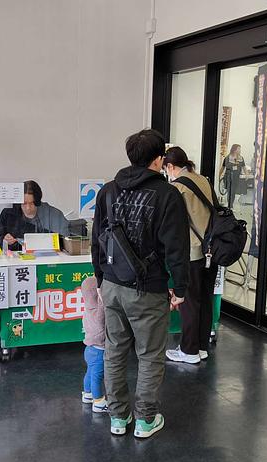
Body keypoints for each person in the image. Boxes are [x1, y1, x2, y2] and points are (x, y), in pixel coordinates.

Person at [91, 129, 190, 439]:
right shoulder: (167, 195)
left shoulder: (108, 191)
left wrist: (100, 279)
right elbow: (177, 247)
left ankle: (118, 417)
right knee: (149, 355)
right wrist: (180, 288)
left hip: (111, 285)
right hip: (148, 289)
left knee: (114, 351)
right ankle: (146, 420)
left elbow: (97, 240)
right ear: (159, 160)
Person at [163, 147, 215, 365]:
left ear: (170, 166)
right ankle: (201, 347)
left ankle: (189, 350)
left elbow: (175, 224)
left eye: (166, 169)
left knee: (190, 302)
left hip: (192, 251)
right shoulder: (203, 180)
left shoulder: (177, 187)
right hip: (211, 249)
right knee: (205, 300)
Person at [0, 180, 70, 251]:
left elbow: (66, 242)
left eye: (31, 203)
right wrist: (4, 239)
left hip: (45, 259)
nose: (28, 208)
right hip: (15, 260)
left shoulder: (53, 215)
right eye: (24, 203)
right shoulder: (9, 214)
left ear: (37, 202)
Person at [80, 276, 108, 413]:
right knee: (97, 377)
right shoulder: (99, 311)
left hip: (89, 349)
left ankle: (87, 394)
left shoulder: (87, 310)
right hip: (99, 350)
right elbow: (103, 318)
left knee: (90, 373)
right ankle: (98, 402)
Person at [218, 144, 245, 209]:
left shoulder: (241, 158)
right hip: (229, 177)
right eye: (239, 149)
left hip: (236, 178)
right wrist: (218, 176)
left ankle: (230, 205)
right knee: (230, 191)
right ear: (234, 150)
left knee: (233, 192)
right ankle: (230, 206)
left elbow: (244, 167)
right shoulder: (228, 158)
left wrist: (246, 174)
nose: (240, 150)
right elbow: (223, 167)